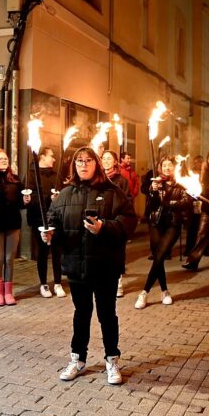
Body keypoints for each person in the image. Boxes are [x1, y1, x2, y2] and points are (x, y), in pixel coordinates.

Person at [42, 147, 137, 385]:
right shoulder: (64, 194)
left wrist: (104, 228)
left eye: (88, 161)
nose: (83, 165)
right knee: (81, 314)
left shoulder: (113, 193)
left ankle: (112, 359)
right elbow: (54, 219)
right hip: (77, 265)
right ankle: (78, 359)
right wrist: (50, 233)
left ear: (96, 163)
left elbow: (128, 223)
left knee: (107, 314)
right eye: (79, 161)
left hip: (105, 265)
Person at [135, 156, 192, 309]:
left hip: (173, 223)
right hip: (155, 222)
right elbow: (151, 204)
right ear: (159, 167)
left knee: (160, 255)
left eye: (170, 165)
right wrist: (152, 191)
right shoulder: (155, 182)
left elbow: (186, 201)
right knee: (157, 258)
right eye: (164, 165)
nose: (167, 167)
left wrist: (167, 203)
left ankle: (144, 292)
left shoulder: (181, 181)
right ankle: (164, 291)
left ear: (175, 167)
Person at [0, 149, 30, 306]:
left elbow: (19, 204)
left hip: (12, 223)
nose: (4, 160)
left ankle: (8, 291)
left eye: (5, 158)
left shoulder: (15, 180)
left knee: (9, 258)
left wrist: (25, 200)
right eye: (0, 158)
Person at [26, 146, 66, 298]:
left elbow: (62, 193)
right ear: (42, 157)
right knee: (42, 252)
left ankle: (57, 283)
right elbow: (29, 197)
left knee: (56, 251)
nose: (54, 159)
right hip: (38, 218)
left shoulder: (56, 175)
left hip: (55, 218)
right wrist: (48, 199)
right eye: (51, 155)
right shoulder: (31, 174)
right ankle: (43, 284)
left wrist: (58, 198)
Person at [182, 149, 209, 272]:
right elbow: (201, 188)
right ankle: (192, 261)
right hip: (207, 207)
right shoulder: (205, 173)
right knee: (201, 233)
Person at [101, 150, 131, 298]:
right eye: (103, 158)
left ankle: (118, 282)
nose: (106, 161)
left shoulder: (121, 180)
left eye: (109, 158)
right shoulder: (97, 178)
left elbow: (126, 200)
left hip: (116, 221)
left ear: (115, 162)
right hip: (101, 222)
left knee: (118, 252)